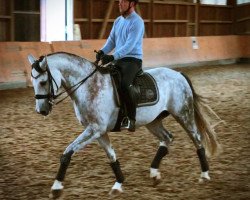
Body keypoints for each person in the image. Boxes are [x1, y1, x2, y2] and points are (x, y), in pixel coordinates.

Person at [96, 0, 144, 132]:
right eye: (119, 1)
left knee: (124, 84)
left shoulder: (137, 22)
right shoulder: (118, 21)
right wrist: (102, 51)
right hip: (119, 60)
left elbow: (130, 45)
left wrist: (112, 56)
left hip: (133, 60)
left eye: (123, 1)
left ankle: (131, 119)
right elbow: (111, 41)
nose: (119, 4)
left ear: (132, 3)